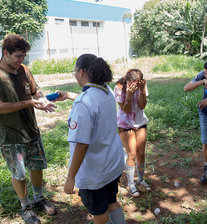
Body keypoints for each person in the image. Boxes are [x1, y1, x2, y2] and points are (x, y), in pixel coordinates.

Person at [57, 54, 125, 224]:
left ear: (81, 72)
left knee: (99, 213)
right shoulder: (106, 91)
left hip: (95, 173)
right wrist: (68, 95)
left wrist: (70, 177)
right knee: (112, 202)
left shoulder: (83, 103)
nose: (75, 75)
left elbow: (81, 144)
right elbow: (92, 100)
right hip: (111, 164)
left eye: (74, 71)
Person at [0, 34, 56, 223]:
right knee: (19, 173)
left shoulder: (24, 70)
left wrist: (40, 99)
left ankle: (39, 199)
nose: (21, 60)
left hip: (31, 130)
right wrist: (29, 103)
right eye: (18, 56)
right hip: (10, 134)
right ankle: (26, 207)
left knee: (37, 166)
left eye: (24, 56)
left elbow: (35, 90)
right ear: (5, 52)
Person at [114, 69, 150, 197]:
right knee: (132, 154)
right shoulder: (119, 87)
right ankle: (130, 183)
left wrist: (142, 91)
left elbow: (142, 106)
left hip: (140, 122)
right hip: (125, 124)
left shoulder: (142, 85)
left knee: (141, 153)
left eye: (137, 82)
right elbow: (127, 110)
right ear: (127, 81)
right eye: (132, 83)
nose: (134, 85)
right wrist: (129, 96)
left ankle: (140, 180)